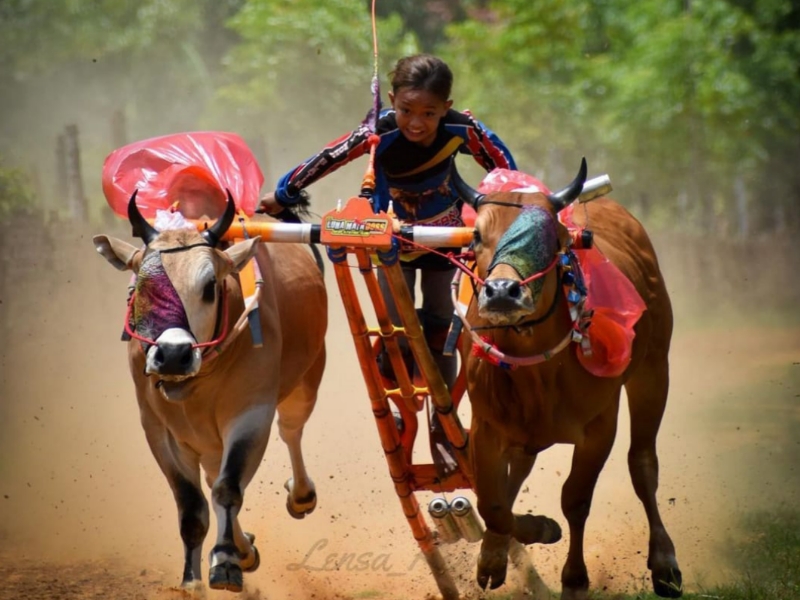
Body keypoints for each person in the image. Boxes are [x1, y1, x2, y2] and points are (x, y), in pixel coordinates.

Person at [260, 54, 517, 474]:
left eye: (429, 114)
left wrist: (517, 210)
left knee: (439, 326)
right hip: (388, 239)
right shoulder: (377, 131)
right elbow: (328, 157)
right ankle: (398, 408)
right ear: (392, 100)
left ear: (447, 107)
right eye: (406, 111)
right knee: (395, 326)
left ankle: (442, 420)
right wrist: (285, 193)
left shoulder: (463, 130)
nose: (416, 123)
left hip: (442, 240)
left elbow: (508, 173)